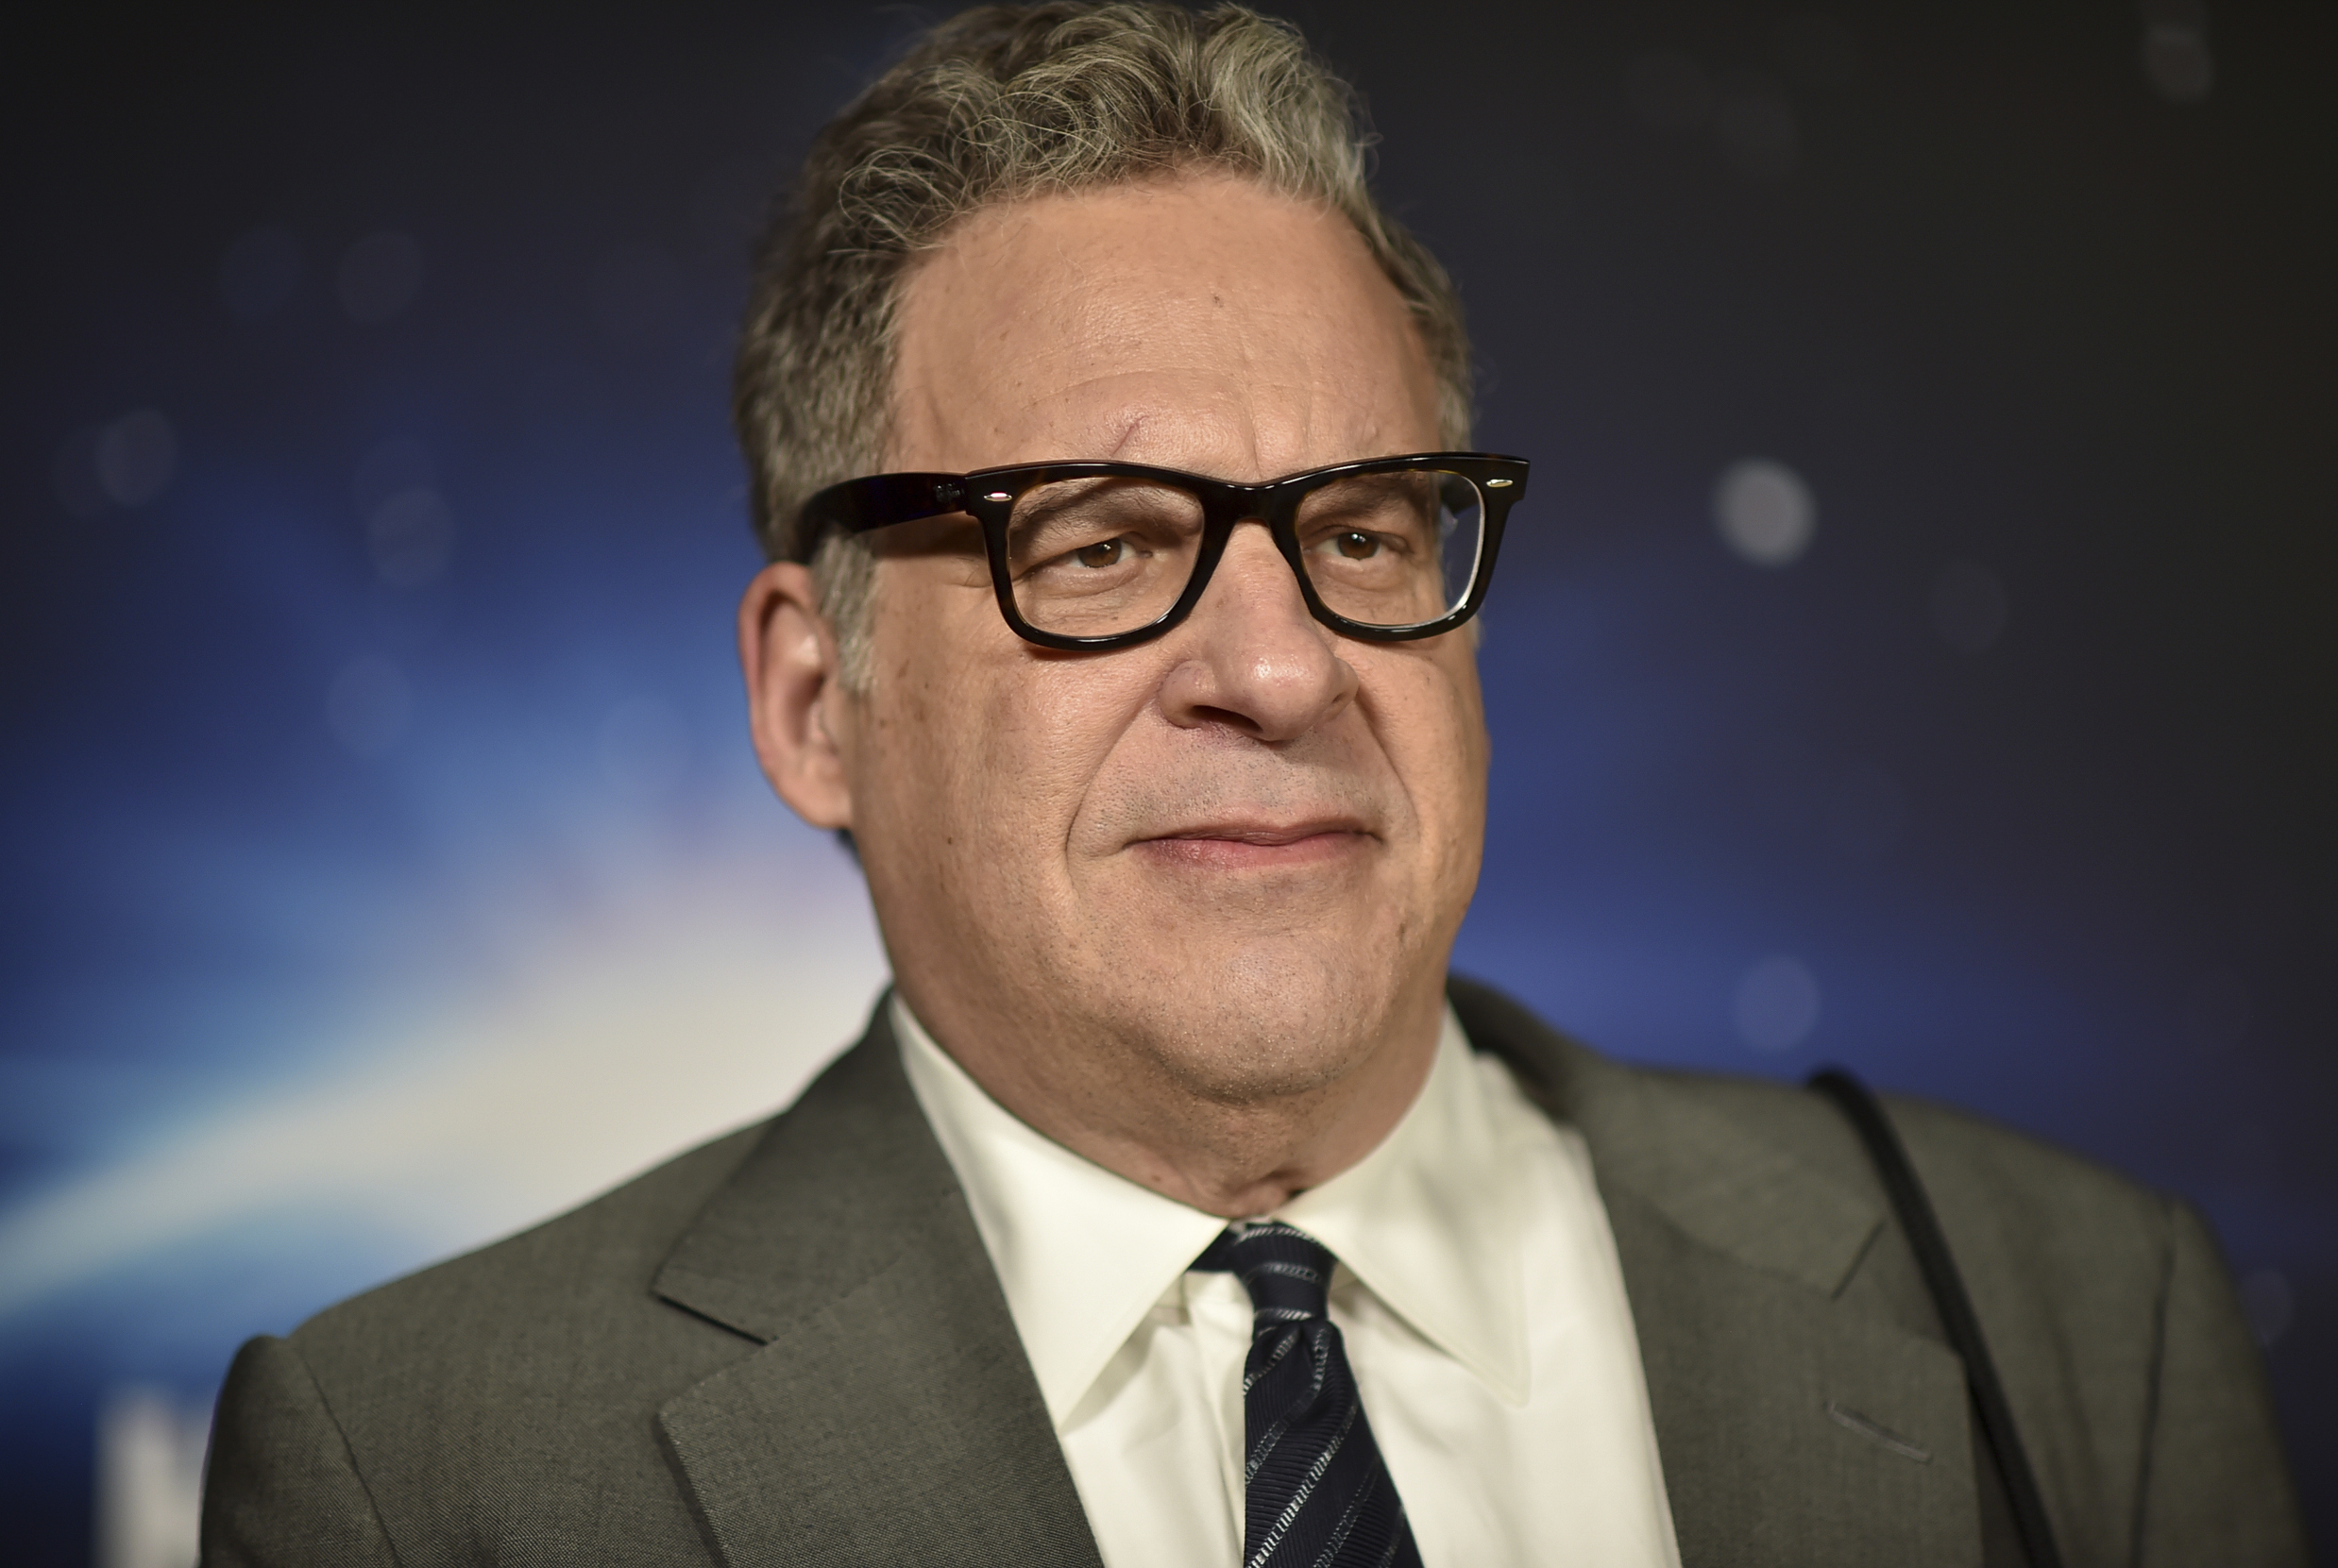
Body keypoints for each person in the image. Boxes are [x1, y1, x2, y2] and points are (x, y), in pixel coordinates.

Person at [199, 6, 2306, 1565]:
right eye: (1099, 541)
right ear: (812, 701)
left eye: (1368, 530)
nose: (1284, 663)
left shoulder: (2061, 1319)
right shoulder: (430, 1476)